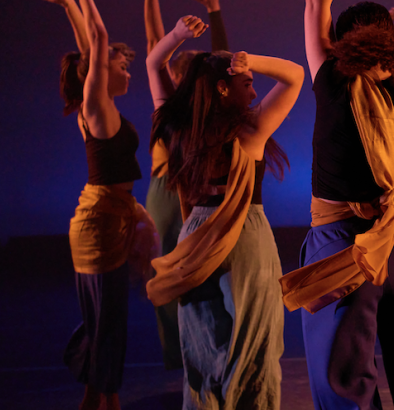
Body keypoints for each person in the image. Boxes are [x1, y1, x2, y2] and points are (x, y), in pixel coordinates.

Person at [277, 1, 394, 409]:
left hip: (342, 242)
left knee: (341, 368)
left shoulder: (333, 80)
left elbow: (313, 11)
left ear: (339, 43)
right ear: (392, 43)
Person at [144, 17, 304, 407]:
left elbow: (153, 64)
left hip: (196, 235)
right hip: (243, 233)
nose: (253, 92)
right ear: (222, 88)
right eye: (246, 84)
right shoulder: (249, 131)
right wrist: (251, 60)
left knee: (202, 346)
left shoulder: (180, 129)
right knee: (254, 343)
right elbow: (295, 76)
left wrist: (178, 37)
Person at [50, 0, 156, 408]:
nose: (127, 70)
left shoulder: (101, 107)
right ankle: (101, 400)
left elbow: (88, 46)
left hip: (110, 218)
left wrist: (68, 7)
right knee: (106, 325)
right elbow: (95, 40)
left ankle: (101, 399)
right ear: (97, 71)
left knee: (107, 325)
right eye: (121, 65)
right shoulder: (94, 107)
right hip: (100, 223)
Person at [143, 0, 231, 371]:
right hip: (166, 189)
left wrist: (214, 11)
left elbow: (224, 60)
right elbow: (153, 50)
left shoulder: (209, 112)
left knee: (208, 272)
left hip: (197, 192)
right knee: (169, 269)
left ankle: (213, 344)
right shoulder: (172, 112)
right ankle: (179, 352)